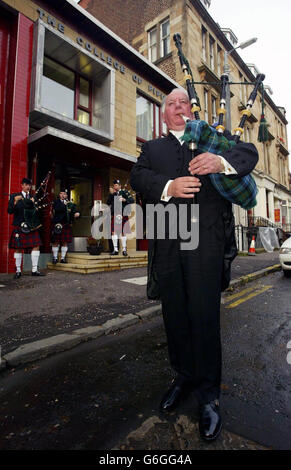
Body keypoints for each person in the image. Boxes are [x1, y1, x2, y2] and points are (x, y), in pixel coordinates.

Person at [130, 88, 258, 441]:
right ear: (163, 112)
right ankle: (183, 377)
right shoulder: (152, 149)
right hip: (168, 242)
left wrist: (220, 162)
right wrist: (168, 185)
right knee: (175, 315)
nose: (176, 107)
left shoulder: (214, 140)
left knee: (203, 316)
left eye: (182, 103)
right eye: (170, 103)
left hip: (205, 243)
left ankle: (208, 396)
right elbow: (137, 177)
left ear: (190, 109)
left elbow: (249, 152)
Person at [7, 177, 45, 278]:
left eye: (29, 185)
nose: (28, 187)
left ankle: (34, 270)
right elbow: (9, 211)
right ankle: (18, 271)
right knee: (18, 248)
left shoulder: (33, 197)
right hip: (19, 225)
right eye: (26, 185)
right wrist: (14, 202)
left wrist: (33, 203)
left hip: (31, 225)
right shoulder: (14, 196)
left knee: (36, 245)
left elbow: (36, 212)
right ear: (22, 185)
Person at [51, 190, 80, 264]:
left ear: (67, 195)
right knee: (56, 241)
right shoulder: (56, 202)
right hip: (57, 224)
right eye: (61, 193)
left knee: (65, 241)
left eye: (65, 194)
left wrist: (77, 213)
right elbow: (57, 209)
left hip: (66, 224)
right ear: (59, 195)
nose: (63, 195)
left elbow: (75, 210)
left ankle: (63, 258)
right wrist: (65, 205)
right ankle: (55, 258)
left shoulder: (70, 204)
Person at [106, 179, 134, 256]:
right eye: (114, 185)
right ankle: (115, 250)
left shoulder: (124, 192)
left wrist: (125, 199)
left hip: (123, 214)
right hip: (115, 215)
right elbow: (108, 202)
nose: (115, 186)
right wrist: (112, 194)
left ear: (120, 186)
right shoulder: (113, 194)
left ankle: (124, 250)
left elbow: (132, 200)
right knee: (113, 231)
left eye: (116, 185)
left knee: (123, 232)